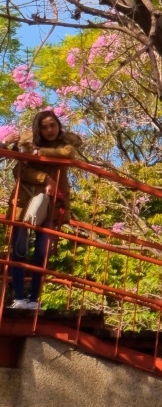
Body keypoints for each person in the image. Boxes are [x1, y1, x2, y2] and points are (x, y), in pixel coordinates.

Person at [5, 110, 81, 311]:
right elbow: (19, 170)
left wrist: (41, 153)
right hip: (24, 203)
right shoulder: (27, 147)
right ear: (38, 129)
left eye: (52, 125)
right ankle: (20, 297)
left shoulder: (65, 144)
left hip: (53, 206)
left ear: (58, 125)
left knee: (41, 253)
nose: (49, 130)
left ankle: (34, 299)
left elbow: (68, 153)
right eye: (44, 127)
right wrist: (45, 179)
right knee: (19, 250)